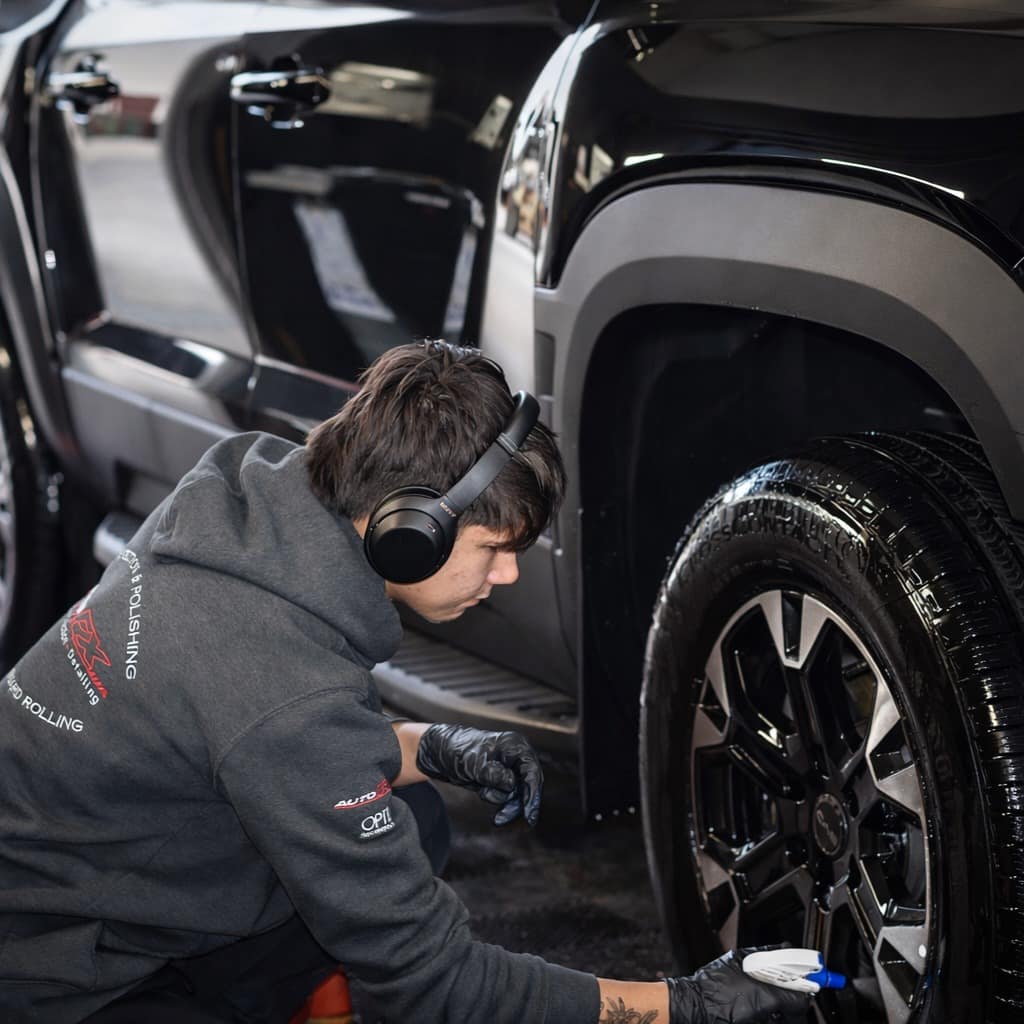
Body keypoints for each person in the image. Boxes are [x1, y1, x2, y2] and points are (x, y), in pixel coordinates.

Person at [0, 341, 809, 1024]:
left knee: (411, 818)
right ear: (410, 532)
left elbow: (258, 742)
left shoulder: (243, 498)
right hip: (55, 976)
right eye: (495, 547)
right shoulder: (281, 687)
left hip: (76, 879)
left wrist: (436, 747)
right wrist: (681, 1004)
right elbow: (435, 981)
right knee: (387, 890)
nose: (507, 574)